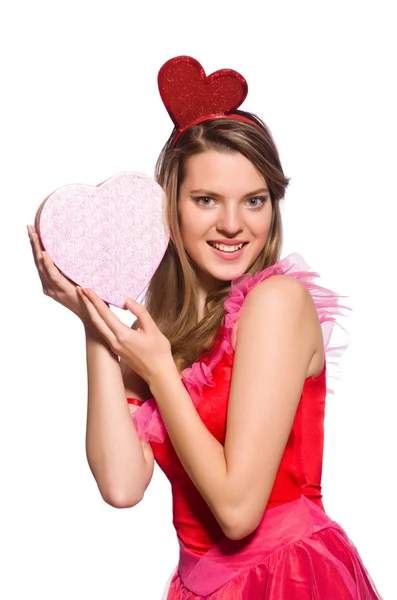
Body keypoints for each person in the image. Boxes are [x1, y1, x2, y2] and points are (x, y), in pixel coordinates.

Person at [28, 56, 383, 599]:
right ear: (170, 205)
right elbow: (122, 486)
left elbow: (238, 512)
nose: (233, 224)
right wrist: (94, 319)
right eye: (206, 200)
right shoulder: (163, 337)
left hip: (288, 582)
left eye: (254, 201)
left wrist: (158, 375)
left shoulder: (276, 305)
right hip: (201, 587)